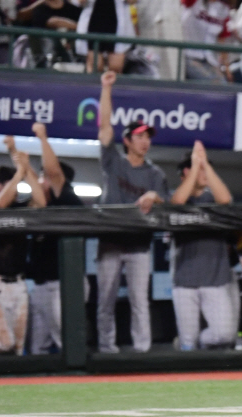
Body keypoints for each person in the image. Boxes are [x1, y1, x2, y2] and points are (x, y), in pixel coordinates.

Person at [96, 70, 169, 353]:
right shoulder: (114, 162)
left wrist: (155, 196)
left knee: (140, 301)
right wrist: (106, 89)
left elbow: (166, 199)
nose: (145, 141)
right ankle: (106, 349)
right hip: (111, 240)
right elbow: (104, 129)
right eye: (139, 136)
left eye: (147, 137)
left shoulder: (155, 173)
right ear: (128, 140)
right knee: (106, 300)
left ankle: (142, 352)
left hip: (139, 244)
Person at [0, 142, 47, 355]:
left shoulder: (20, 208)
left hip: (18, 284)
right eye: (10, 183)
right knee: (4, 343)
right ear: (0, 185)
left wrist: (26, 170)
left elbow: (41, 202)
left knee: (17, 347)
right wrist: (19, 173)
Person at [171, 141, 238, 351]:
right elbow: (175, 203)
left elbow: (226, 200)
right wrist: (194, 165)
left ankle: (200, 343)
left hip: (215, 279)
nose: (202, 170)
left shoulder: (213, 197)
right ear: (185, 173)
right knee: (187, 344)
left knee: (224, 334)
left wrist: (204, 164)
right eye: (196, 167)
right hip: (185, 281)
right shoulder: (178, 195)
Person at [27, 122, 84, 355]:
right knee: (37, 345)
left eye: (44, 176)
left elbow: (54, 173)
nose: (42, 180)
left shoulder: (67, 197)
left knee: (66, 340)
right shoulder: (41, 204)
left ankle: (78, 382)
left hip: (63, 284)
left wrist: (43, 138)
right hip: (41, 285)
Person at [76, 0, 137, 73]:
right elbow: (78, 2)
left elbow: (132, 1)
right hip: (93, 26)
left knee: (115, 68)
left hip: (117, 26)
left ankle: (111, 84)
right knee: (95, 67)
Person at [180, 0, 232, 83]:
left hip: (209, 60)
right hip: (188, 55)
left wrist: (227, 68)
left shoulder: (223, 9)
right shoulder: (194, 2)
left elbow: (222, 41)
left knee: (224, 84)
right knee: (214, 83)